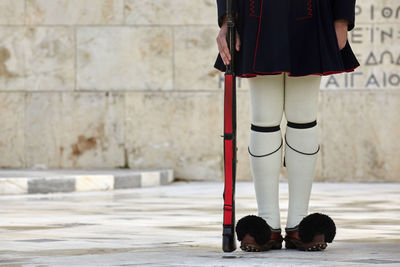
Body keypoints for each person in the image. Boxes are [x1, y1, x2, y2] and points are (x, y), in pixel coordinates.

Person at [214, 0, 360, 252]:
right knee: (264, 119)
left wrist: (342, 18)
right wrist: (228, 19)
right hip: (255, 11)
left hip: (312, 10)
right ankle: (267, 224)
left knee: (303, 118)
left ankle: (299, 224)